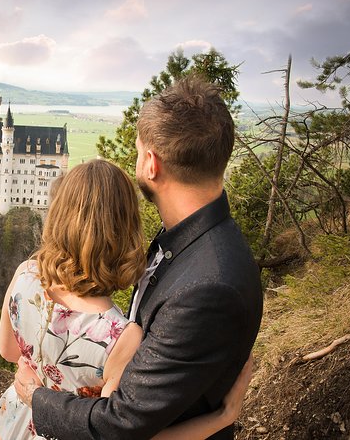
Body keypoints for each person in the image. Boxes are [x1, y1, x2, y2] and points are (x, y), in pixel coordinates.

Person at [15, 76, 263, 439]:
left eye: (136, 151)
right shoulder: (188, 238)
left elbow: (120, 424)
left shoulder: (210, 287)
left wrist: (36, 398)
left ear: (151, 163)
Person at [0, 159, 254, 440]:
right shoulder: (120, 337)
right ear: (125, 232)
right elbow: (119, 433)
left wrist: (37, 380)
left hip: (14, 419)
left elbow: (8, 351)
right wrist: (222, 418)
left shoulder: (25, 274)